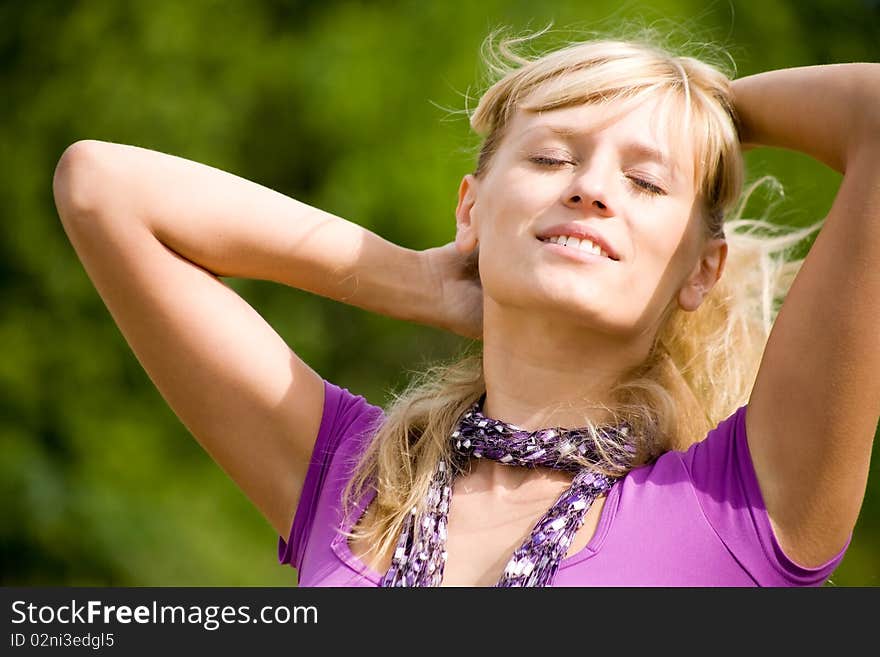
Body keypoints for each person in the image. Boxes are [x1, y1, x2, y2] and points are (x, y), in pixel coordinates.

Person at [52, 28, 879, 587]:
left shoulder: (741, 506)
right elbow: (101, 188)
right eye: (553, 156)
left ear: (702, 269)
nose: (590, 187)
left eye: (646, 179)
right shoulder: (350, 477)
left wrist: (698, 106)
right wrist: (416, 281)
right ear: (472, 209)